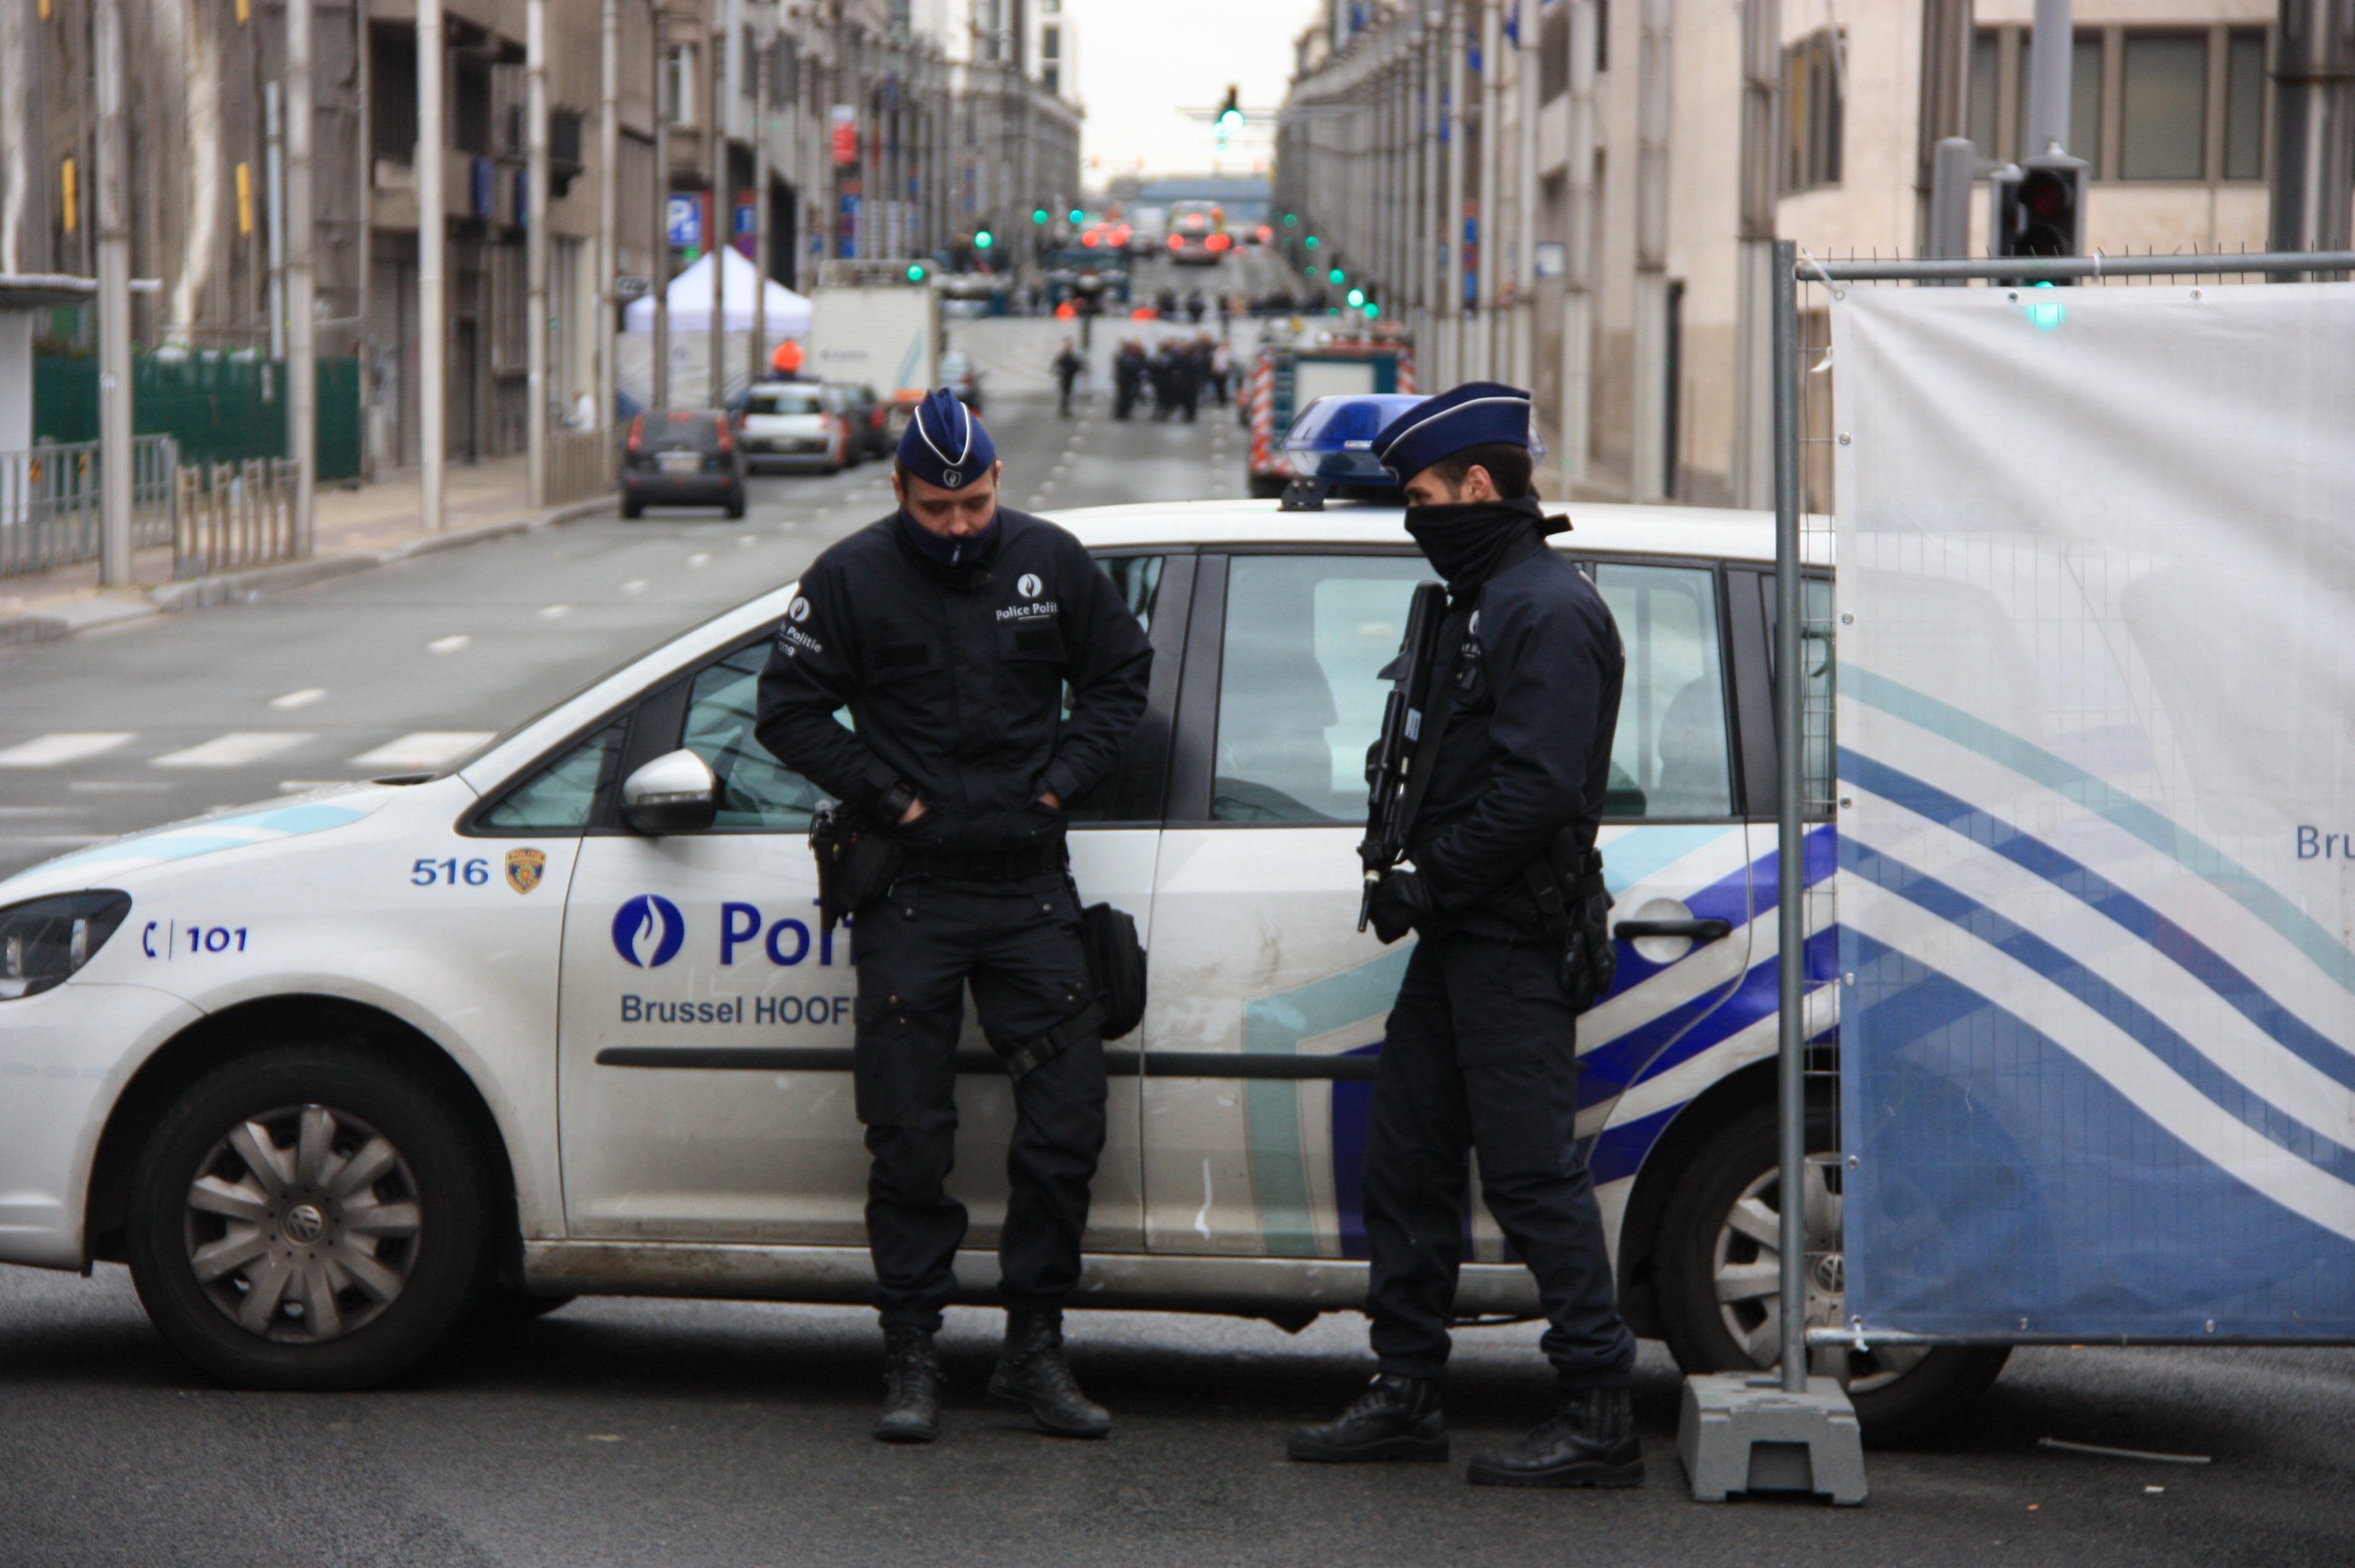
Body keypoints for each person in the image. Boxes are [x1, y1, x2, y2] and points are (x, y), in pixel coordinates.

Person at [756, 389, 1154, 1446]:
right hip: (914, 892)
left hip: (1028, 889)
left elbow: (1122, 680)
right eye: (937, 509)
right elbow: (785, 709)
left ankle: (1034, 1349)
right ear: (899, 492)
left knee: (1066, 1125)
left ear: (997, 484)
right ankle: (912, 1349)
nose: (960, 527)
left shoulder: (1050, 562)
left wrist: (1062, 783)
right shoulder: (849, 576)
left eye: (974, 503)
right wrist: (893, 799)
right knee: (909, 1135)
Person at [1285, 382, 1641, 1489]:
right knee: (1409, 1159)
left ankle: (1598, 1411)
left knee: (1532, 1175)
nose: (1415, 514)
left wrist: (1429, 881)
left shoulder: (1543, 608)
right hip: (1464, 937)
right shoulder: (1493, 595)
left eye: (1423, 494)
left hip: (1510, 936)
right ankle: (1406, 1392)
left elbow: (1537, 791)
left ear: (1480, 486)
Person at [1053, 340, 1084, 418]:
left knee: (1068, 393)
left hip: (1070, 376)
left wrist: (1079, 370)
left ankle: (1066, 409)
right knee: (1064, 393)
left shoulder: (1073, 355)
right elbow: (1057, 363)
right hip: (1064, 376)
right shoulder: (1063, 355)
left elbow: (1078, 364)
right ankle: (1063, 409)